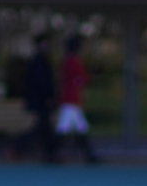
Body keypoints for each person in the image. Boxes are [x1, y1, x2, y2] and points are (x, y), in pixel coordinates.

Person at [56, 35, 96, 163]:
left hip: (70, 99)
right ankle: (52, 154)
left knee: (81, 127)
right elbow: (83, 78)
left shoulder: (66, 61)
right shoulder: (73, 61)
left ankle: (89, 155)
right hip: (71, 100)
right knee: (64, 128)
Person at [25, 33, 57, 164]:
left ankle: (49, 154)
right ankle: (16, 146)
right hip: (41, 101)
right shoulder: (38, 62)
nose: (47, 46)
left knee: (44, 128)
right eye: (44, 43)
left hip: (42, 101)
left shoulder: (43, 60)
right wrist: (48, 97)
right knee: (42, 128)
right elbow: (41, 83)